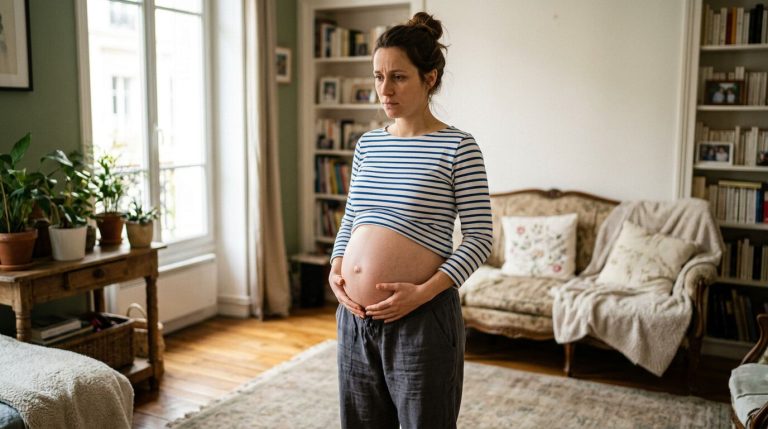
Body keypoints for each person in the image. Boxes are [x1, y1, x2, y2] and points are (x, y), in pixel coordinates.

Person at [327, 12, 492, 429]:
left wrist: (421, 293)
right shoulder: (367, 145)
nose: (385, 89)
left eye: (398, 77)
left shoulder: (458, 147)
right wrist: (335, 267)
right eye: (379, 76)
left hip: (421, 319)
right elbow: (352, 220)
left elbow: (479, 239)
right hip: (355, 319)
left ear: (429, 78)